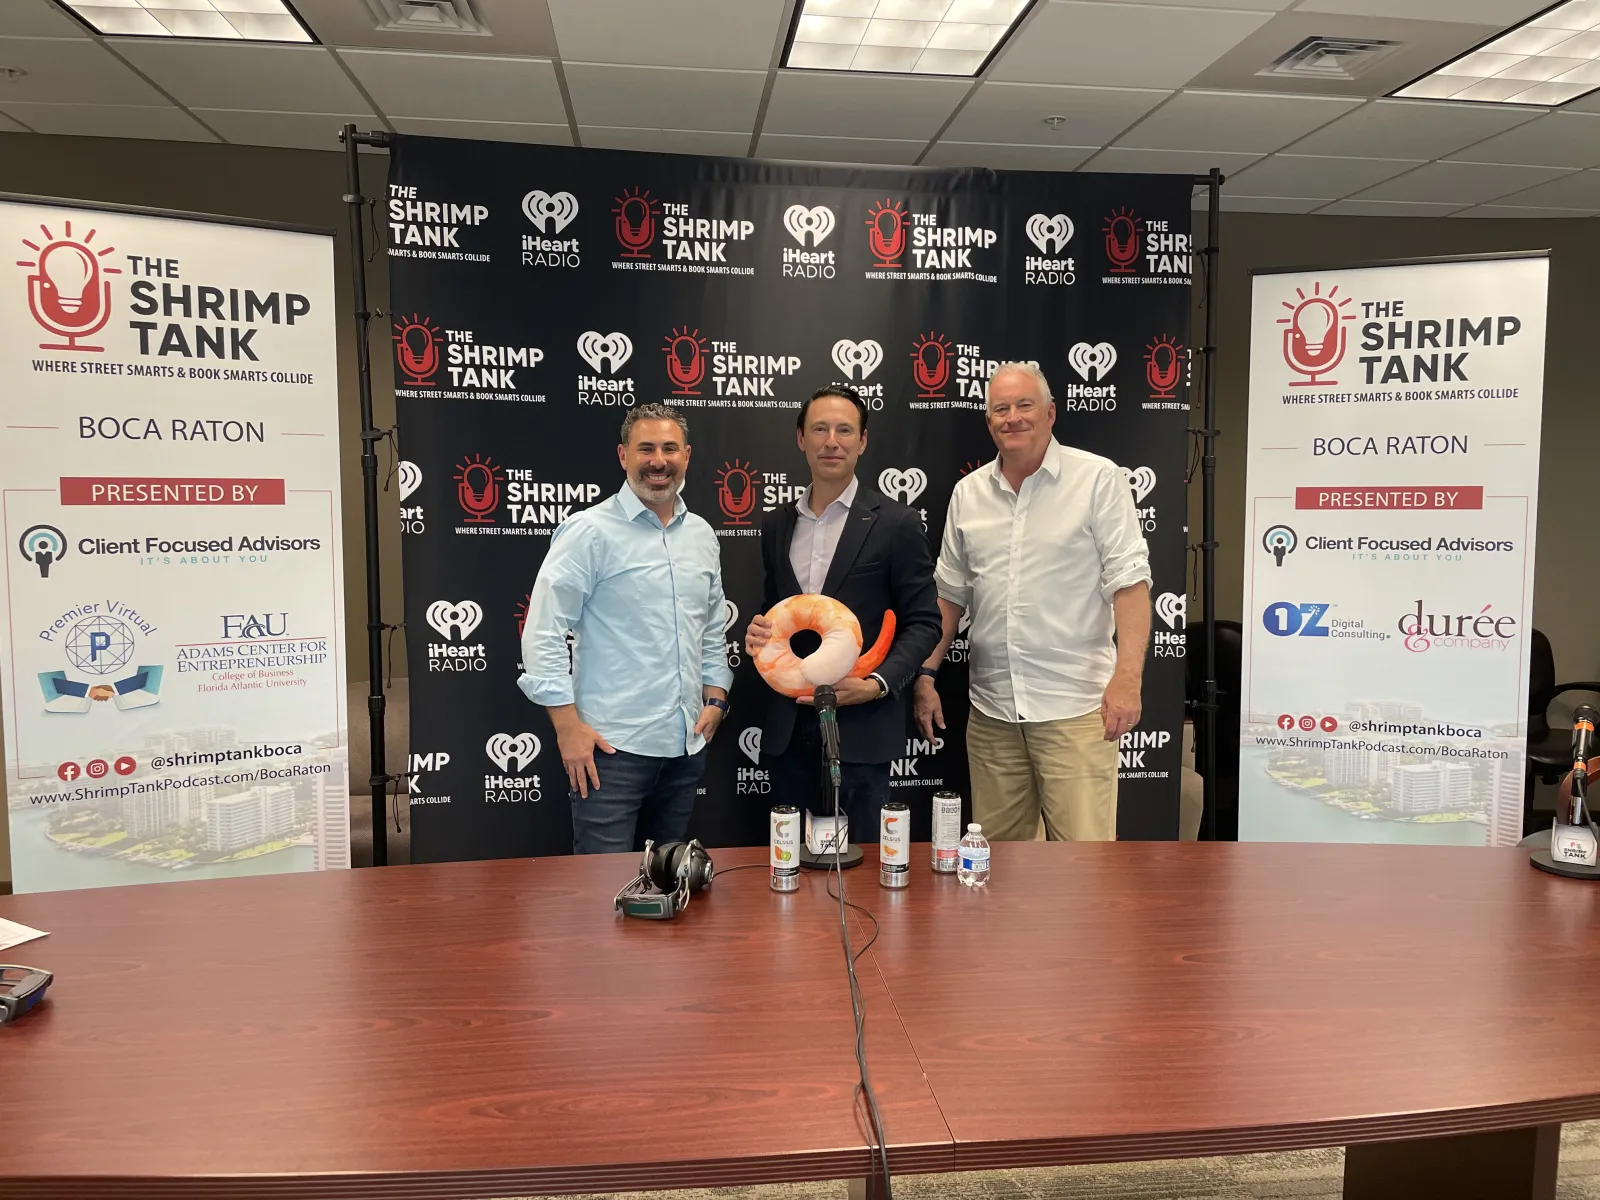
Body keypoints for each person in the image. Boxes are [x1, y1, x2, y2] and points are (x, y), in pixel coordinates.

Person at [914, 362, 1151, 842]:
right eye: (1000, 409)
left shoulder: (1098, 480)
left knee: (1085, 869)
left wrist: (1127, 678)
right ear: (988, 422)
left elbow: (1130, 584)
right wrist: (926, 673)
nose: (1012, 417)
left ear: (1050, 413)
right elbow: (950, 597)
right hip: (993, 715)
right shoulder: (968, 494)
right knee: (997, 873)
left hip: (1077, 710)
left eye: (1024, 405)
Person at [519, 403, 732, 854]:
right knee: (602, 898)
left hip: (685, 749)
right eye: (646, 448)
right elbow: (543, 630)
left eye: (670, 448)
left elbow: (712, 628)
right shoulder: (589, 532)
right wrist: (566, 727)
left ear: (687, 455)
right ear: (623, 456)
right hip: (610, 754)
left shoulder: (702, 536)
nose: (659, 460)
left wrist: (716, 697)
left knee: (664, 889)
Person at [745, 385, 941, 843]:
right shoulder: (776, 524)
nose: (831, 441)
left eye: (844, 430)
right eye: (820, 429)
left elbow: (924, 621)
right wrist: (757, 633)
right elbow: (775, 612)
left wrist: (877, 684)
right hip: (787, 731)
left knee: (867, 878)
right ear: (801, 438)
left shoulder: (897, 523)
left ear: (863, 441)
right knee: (786, 869)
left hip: (861, 731)